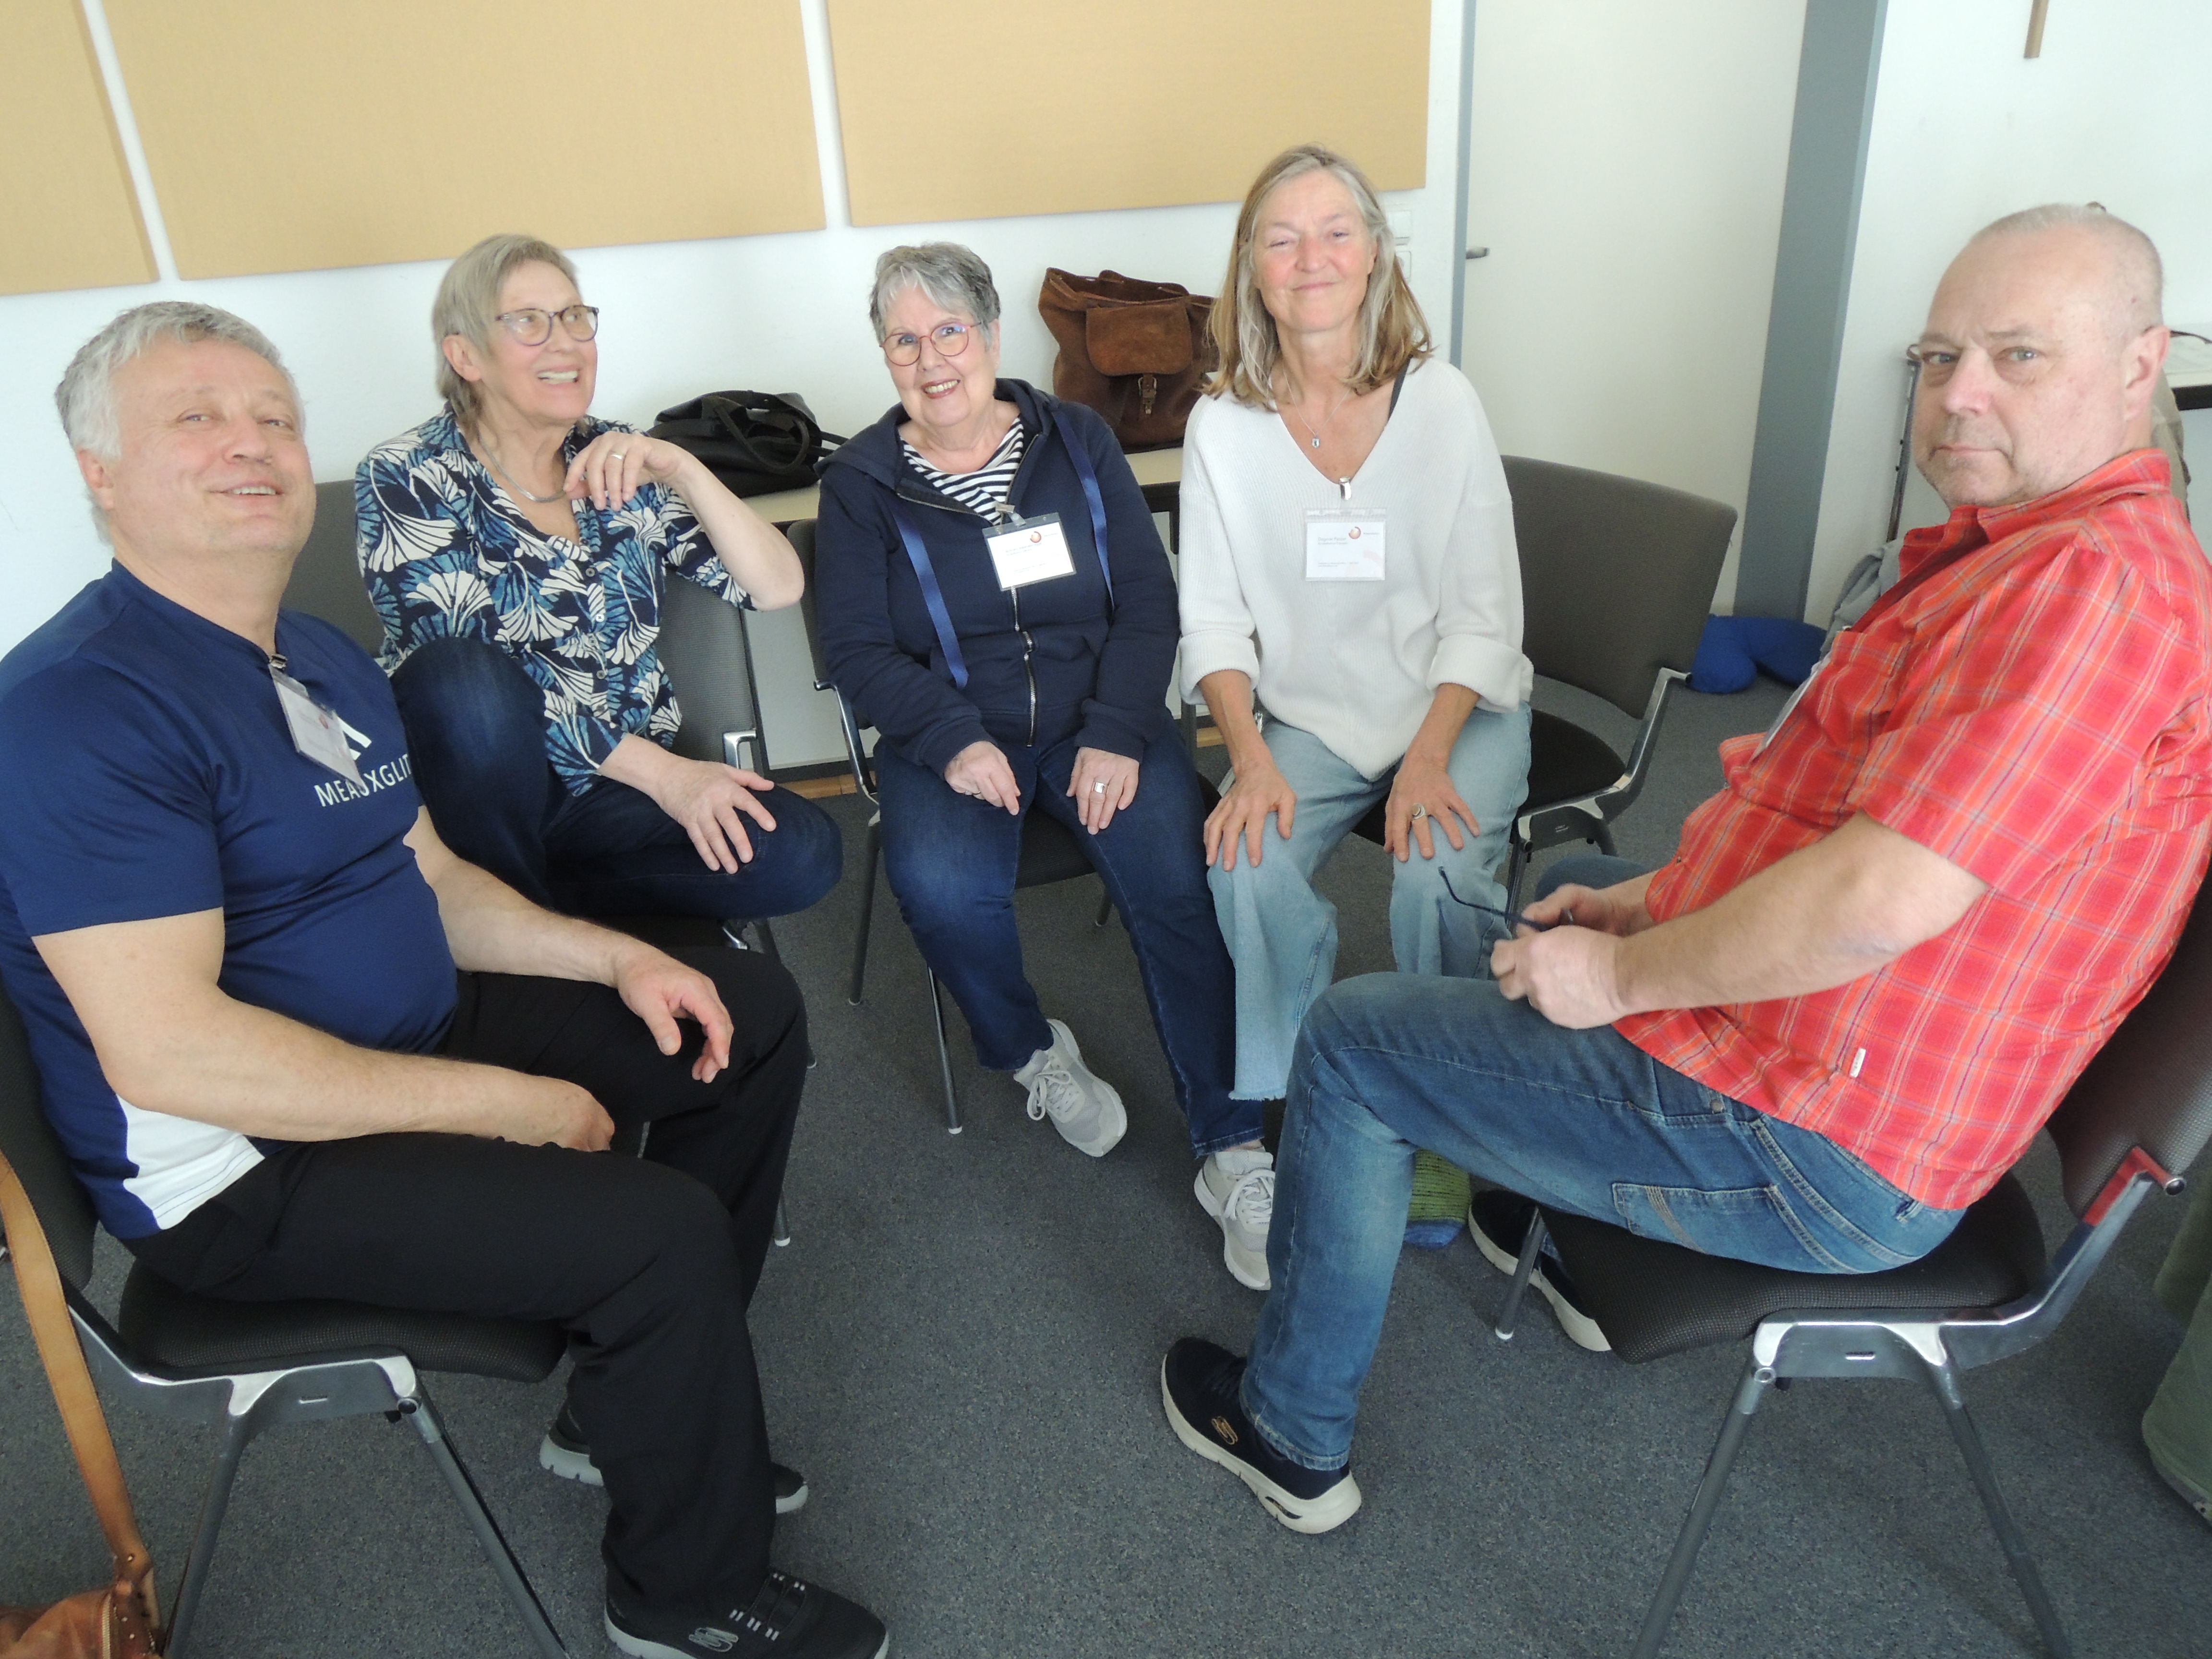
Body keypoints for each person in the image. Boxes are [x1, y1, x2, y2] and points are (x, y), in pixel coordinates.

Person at [1161, 204, 2212, 1535]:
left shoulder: (2091, 591)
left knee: (1358, 1044)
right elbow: (1859, 848)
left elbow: (1877, 899)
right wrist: (1648, 905)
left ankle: (1290, 1432)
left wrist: (1623, 974)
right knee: (1596, 874)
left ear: (2141, 363)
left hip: (1825, 1146)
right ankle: (1528, 1187)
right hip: (1849, 1060)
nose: (1960, 396)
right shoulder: (2032, 555)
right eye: (1941, 358)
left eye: (2018, 356)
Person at [0, 303, 886, 1659]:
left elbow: (434, 879)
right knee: (653, 1229)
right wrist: (511, 1107)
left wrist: (624, 955)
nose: (253, 444)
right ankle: (682, 1595)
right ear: (100, 472)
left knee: (744, 1016)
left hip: (402, 1024)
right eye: (197, 418)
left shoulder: (317, 655)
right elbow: (174, 1056)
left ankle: (633, 1403)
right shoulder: (79, 710)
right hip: (248, 1164)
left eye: (275, 417)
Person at [813, 244, 1255, 1282]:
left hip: (1098, 717)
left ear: (992, 334)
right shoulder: (861, 485)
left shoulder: (1078, 439)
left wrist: (1117, 727)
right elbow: (858, 652)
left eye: (950, 332)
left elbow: (1147, 600)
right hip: (953, 730)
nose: (932, 360)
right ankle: (1031, 1053)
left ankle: (1234, 1146)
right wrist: (953, 739)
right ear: (885, 357)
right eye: (904, 341)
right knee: (941, 889)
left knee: (1178, 880)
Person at [1176, 144, 1533, 1136]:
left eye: (1336, 233)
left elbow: (1484, 617)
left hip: (1456, 706)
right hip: (1315, 720)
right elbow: (1213, 620)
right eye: (1282, 241)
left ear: (1375, 252)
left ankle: (1455, 1103)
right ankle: (1311, 1083)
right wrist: (1249, 760)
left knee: (1437, 878)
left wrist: (1428, 757)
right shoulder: (1221, 427)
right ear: (1252, 268)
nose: (1312, 260)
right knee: (1244, 864)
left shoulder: (1443, 402)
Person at [355, 233, 841, 927]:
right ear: (465, 356)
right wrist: (669, 778)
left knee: (803, 850)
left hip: (614, 795)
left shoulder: (620, 460)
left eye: (575, 317)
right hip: (487, 792)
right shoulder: (408, 474)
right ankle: (535, 929)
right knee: (463, 677)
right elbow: (469, 686)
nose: (564, 342)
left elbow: (777, 587)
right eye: (528, 321)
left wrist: (683, 469)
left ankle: (528, 915)